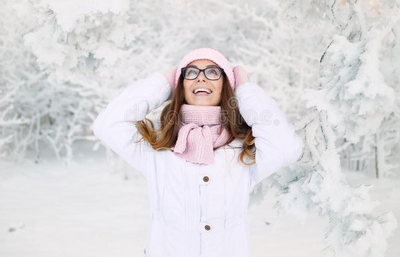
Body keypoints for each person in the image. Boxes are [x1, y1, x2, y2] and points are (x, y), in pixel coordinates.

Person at [92, 47, 304, 257]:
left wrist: (246, 90)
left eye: (212, 72)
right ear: (181, 87)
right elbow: (107, 124)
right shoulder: (159, 149)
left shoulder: (243, 151)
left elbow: (286, 148)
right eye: (191, 72)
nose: (201, 78)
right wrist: (164, 83)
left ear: (226, 86)